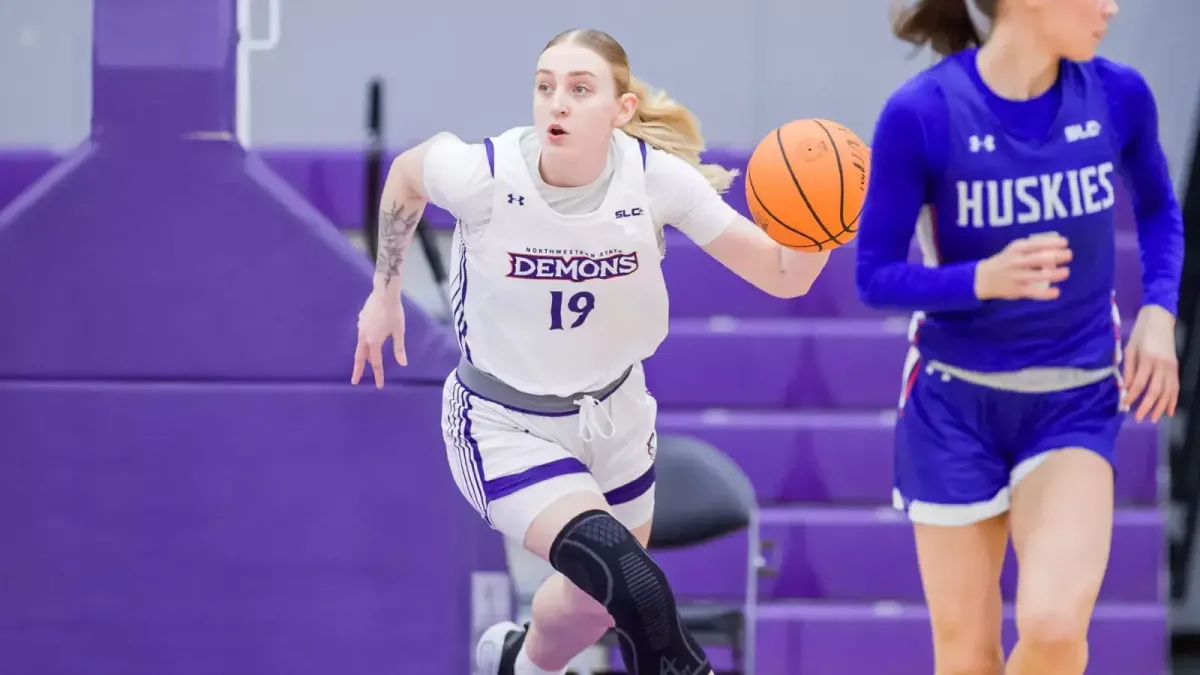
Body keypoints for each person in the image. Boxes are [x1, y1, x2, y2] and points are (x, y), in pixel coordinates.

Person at [351, 28, 831, 675]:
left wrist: (825, 227)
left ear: (621, 109)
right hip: (504, 423)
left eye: (580, 89)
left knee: (593, 604)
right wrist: (384, 291)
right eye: (545, 86)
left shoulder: (654, 179)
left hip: (614, 416)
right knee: (636, 587)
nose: (557, 102)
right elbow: (407, 175)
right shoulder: (484, 174)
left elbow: (782, 274)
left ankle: (520, 662)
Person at [855, 0, 1183, 673]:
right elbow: (875, 276)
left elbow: (1157, 206)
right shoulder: (923, 111)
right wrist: (981, 279)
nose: (1111, 8)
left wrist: (1159, 311)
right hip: (953, 404)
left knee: (1055, 625)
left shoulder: (1119, 93)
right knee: (967, 657)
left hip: (1075, 398)